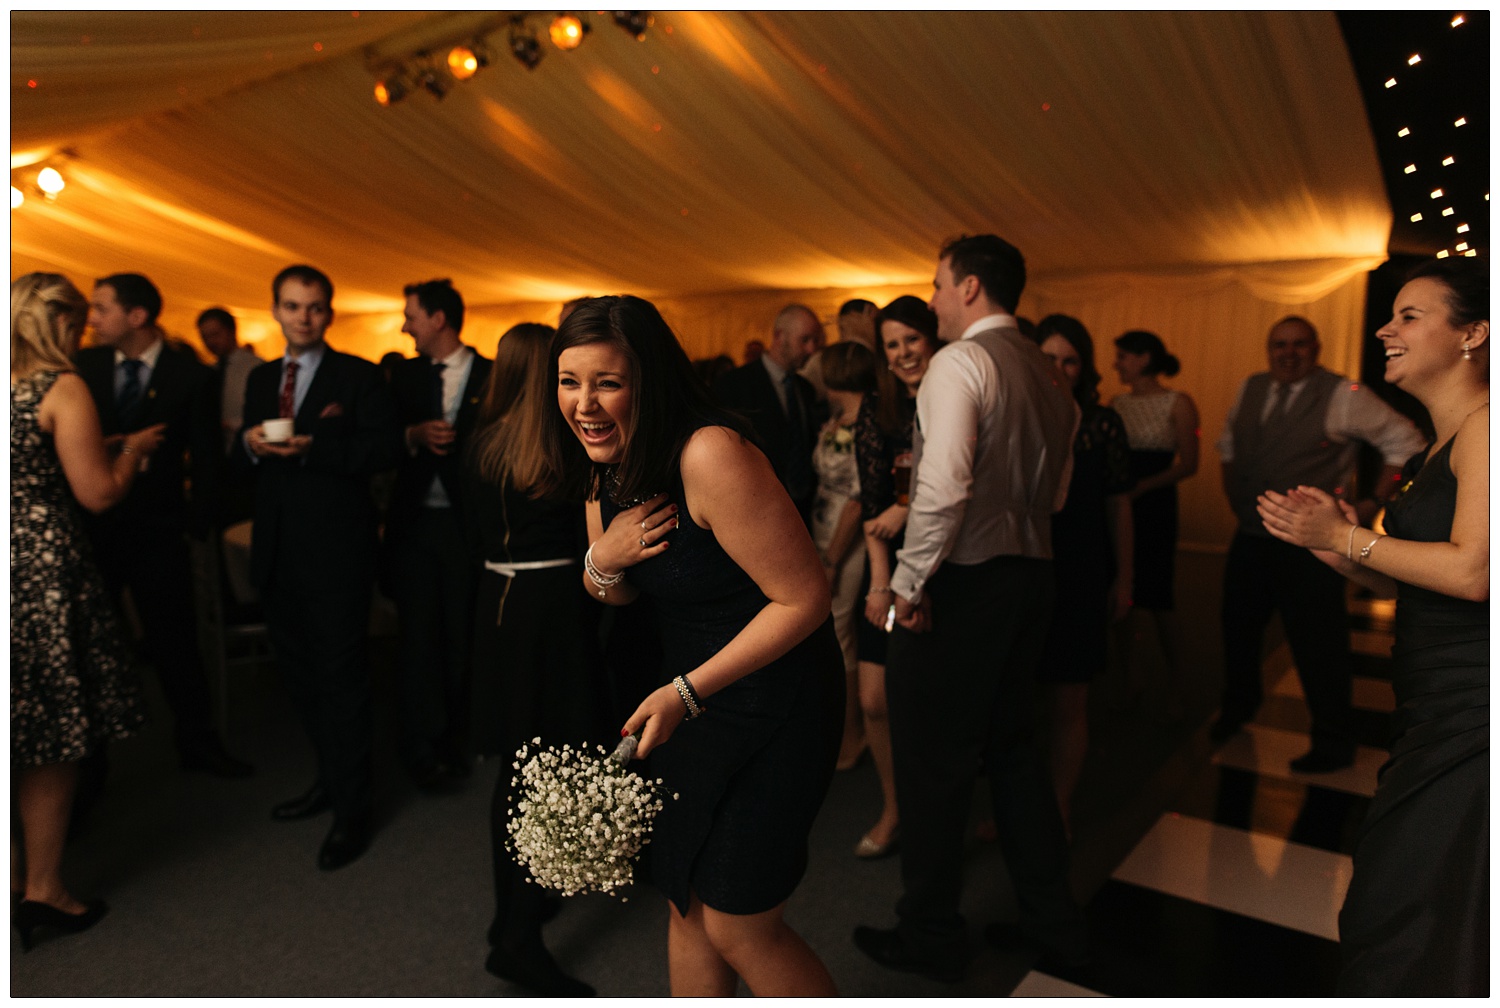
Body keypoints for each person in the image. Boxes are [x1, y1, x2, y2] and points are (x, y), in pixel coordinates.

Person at [539, 295, 842, 996]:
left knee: (740, 925)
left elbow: (805, 599)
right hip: (688, 701)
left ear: (647, 380)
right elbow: (613, 591)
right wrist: (602, 560)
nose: (584, 403)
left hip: (774, 698)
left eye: (606, 382)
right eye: (568, 380)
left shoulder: (709, 453)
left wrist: (686, 691)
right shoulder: (602, 464)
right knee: (683, 899)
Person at [854, 234, 1084, 981]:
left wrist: (910, 584)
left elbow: (944, 486)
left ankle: (929, 932)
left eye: (938, 285)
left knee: (933, 765)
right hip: (1032, 576)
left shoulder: (960, 362)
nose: (933, 299)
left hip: (962, 583)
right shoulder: (1051, 375)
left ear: (972, 289)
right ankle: (1054, 924)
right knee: (1016, 756)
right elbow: (1057, 494)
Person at [1255, 257, 1487, 994]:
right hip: (1433, 710)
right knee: (1417, 909)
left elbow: (1475, 573)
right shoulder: (1438, 448)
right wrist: (1334, 546)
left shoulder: (1488, 429)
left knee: (1406, 913)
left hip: (1476, 714)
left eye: (1409, 316)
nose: (1385, 329)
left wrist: (1351, 537)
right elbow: (1412, 575)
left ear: (1474, 334)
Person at [11, 273, 165, 951]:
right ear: (62, 324)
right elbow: (98, 495)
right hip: (40, 576)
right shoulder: (59, 386)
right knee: (50, 736)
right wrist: (132, 450)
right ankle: (42, 890)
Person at [239, 264, 402, 871]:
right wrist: (249, 446)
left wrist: (318, 448)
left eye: (314, 307)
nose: (303, 316)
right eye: (292, 306)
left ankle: (352, 811)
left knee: (343, 683)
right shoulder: (259, 379)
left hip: (337, 556)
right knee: (302, 682)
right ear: (277, 310)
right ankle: (329, 782)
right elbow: (242, 456)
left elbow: (385, 450)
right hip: (277, 555)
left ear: (328, 313)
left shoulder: (356, 376)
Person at [1212, 315, 1426, 772]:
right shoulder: (1250, 387)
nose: (1288, 353)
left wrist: (1372, 503)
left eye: (1299, 345)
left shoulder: (1341, 395)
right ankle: (1237, 710)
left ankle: (1333, 740)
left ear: (1317, 348)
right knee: (1238, 630)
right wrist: (1234, 496)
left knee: (1317, 645)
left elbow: (1406, 442)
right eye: (1279, 345)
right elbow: (1228, 446)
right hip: (1251, 537)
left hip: (1310, 548)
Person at [465, 322, 608, 997]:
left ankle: (527, 904)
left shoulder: (484, 440)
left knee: (521, 767)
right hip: (550, 606)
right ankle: (516, 937)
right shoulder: (559, 445)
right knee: (535, 773)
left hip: (497, 601)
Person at [74, 273, 251, 778]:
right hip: (96, 527)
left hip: (159, 530)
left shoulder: (189, 374)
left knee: (176, 642)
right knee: (93, 646)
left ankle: (198, 742)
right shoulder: (84, 367)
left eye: (102, 308)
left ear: (137, 316)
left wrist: (196, 527)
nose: (93, 318)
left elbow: (208, 458)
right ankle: (90, 767)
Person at [381, 279, 492, 791]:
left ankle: (460, 737)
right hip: (414, 527)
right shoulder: (401, 378)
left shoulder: (491, 375)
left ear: (438, 319)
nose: (405, 326)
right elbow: (379, 439)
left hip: (469, 528)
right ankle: (421, 744)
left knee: (464, 632)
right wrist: (411, 435)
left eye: (411, 316)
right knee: (418, 636)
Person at [1032, 315, 1134, 833]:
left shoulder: (1102, 423)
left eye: (1070, 359)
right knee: (1025, 700)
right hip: (1028, 573)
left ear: (1084, 366)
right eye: (1049, 357)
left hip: (1082, 570)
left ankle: (1060, 805)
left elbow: (1119, 506)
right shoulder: (1020, 416)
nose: (1059, 368)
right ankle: (1024, 808)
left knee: (1071, 697)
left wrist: (1126, 579)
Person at [849, 294, 942, 860]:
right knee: (874, 698)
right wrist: (879, 583)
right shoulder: (876, 407)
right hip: (889, 561)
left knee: (928, 700)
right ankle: (894, 806)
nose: (904, 352)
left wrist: (909, 511)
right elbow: (872, 503)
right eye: (892, 344)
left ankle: (931, 809)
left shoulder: (953, 393)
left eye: (912, 339)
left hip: (946, 562)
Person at [1109, 329, 1198, 714]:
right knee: (1122, 593)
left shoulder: (1178, 402)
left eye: (1123, 356)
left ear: (1144, 358)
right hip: (1121, 505)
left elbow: (1189, 464)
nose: (1116, 364)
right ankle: (1131, 675)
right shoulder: (1116, 403)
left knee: (1160, 596)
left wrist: (1144, 486)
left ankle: (1180, 680)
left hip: (1157, 503)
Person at [810, 342, 876, 772]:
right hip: (821, 527)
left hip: (845, 538)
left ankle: (852, 737)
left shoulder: (864, 427)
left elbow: (857, 499)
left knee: (840, 629)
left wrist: (833, 559)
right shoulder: (838, 422)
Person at [711, 304, 822, 523]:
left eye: (814, 341)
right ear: (779, 336)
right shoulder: (735, 384)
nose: (811, 350)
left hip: (804, 512)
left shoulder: (805, 388)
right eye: (805, 340)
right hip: (757, 511)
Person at [197, 307, 262, 454]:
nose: (210, 342)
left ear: (232, 330)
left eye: (215, 334)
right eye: (205, 337)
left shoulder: (256, 368)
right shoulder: (208, 371)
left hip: (247, 450)